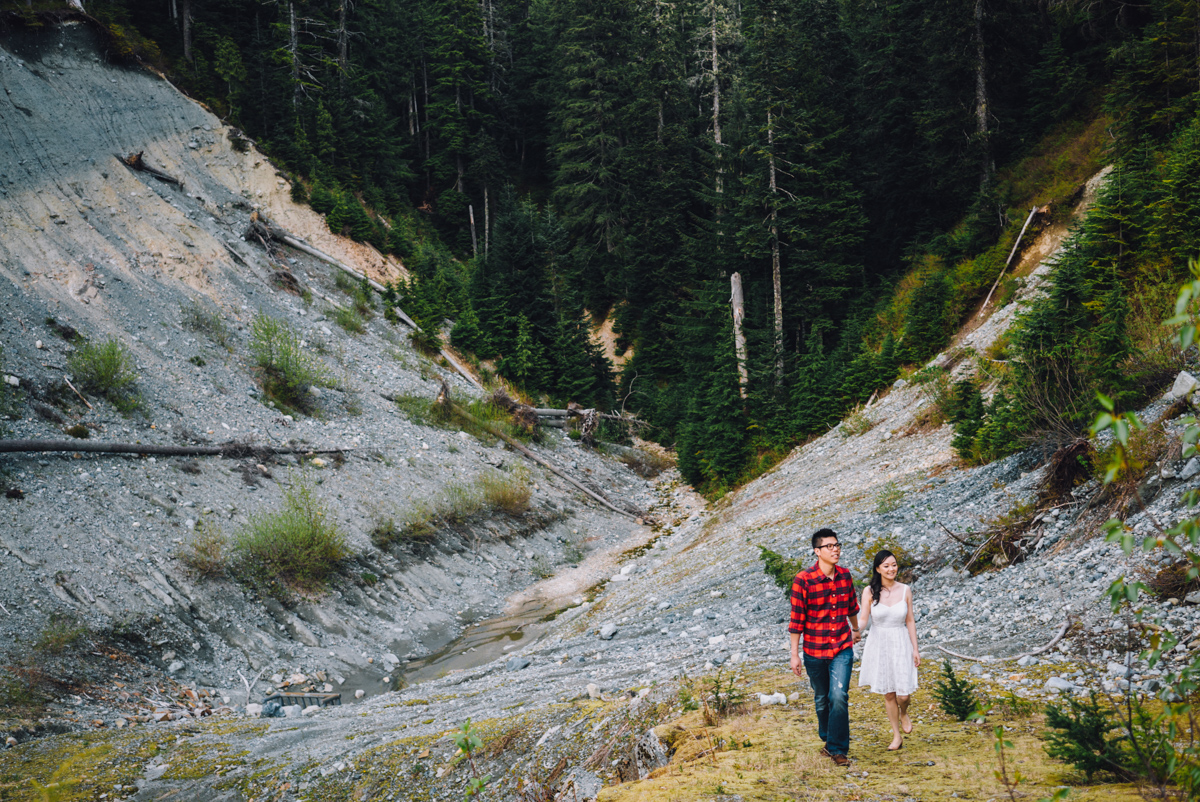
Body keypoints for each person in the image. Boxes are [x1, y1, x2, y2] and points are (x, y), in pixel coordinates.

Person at [789, 528, 861, 767]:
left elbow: (852, 606)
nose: (835, 549)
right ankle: (828, 739)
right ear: (817, 551)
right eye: (829, 546)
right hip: (814, 650)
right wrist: (794, 655)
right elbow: (796, 620)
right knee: (822, 699)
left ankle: (838, 749)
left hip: (842, 647)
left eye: (837, 545)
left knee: (838, 695)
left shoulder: (845, 575)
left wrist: (856, 629)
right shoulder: (804, 580)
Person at [856, 549, 920, 751]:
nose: (891, 569)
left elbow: (910, 620)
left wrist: (915, 649)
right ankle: (896, 735)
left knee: (903, 695)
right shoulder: (869, 591)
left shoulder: (905, 590)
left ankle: (904, 712)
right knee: (889, 693)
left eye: (894, 565)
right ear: (878, 569)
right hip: (880, 643)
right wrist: (854, 631)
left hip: (901, 641)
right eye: (886, 566)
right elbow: (863, 619)